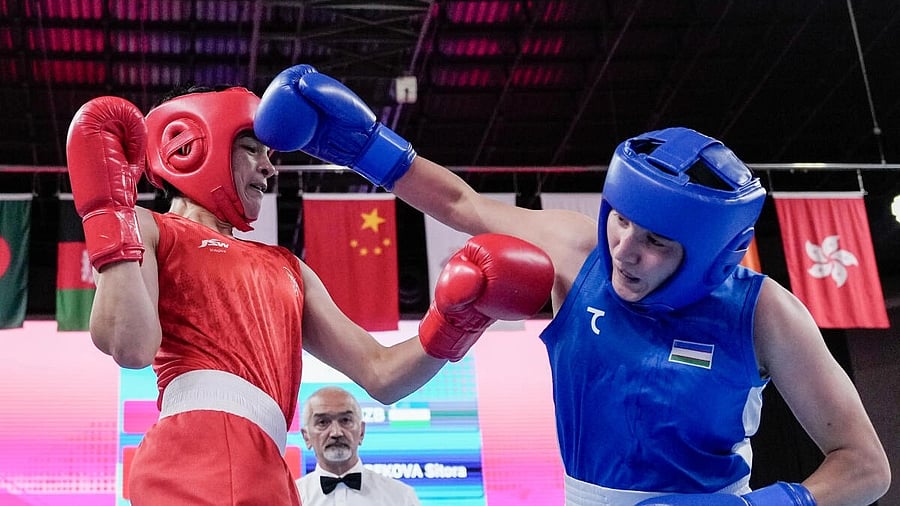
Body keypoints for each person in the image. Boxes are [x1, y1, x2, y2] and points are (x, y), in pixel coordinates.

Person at [251, 64, 892, 506]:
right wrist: (364, 147)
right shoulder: (580, 251)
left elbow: (865, 466)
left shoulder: (764, 313)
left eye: (656, 242)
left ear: (709, 258)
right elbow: (461, 205)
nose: (625, 250)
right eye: (622, 221)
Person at [64, 84, 555, 505]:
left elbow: (383, 374)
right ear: (190, 146)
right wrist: (110, 215)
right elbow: (130, 346)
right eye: (253, 149)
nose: (269, 168)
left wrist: (457, 322)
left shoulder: (288, 268)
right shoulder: (150, 228)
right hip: (193, 454)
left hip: (268, 467)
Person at [296, 386, 421, 505]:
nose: (336, 433)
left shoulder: (401, 497)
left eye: (345, 420)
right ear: (306, 437)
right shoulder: (292, 498)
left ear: (361, 431)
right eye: (323, 422)